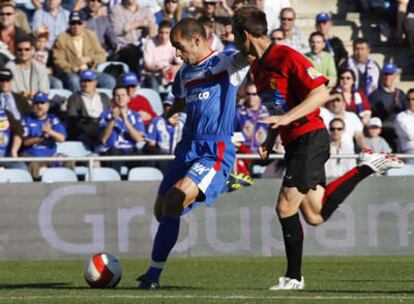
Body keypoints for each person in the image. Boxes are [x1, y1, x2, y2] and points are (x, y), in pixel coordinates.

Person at [232, 6, 403, 291]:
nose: (235, 43)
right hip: (293, 143)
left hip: (310, 138)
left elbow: (321, 92)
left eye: (236, 37)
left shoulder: (287, 56)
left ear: (247, 35)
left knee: (285, 207)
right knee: (314, 216)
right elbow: (279, 107)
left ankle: (294, 278)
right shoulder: (257, 67)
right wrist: (269, 138)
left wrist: (286, 119)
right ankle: (367, 167)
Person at [136, 17, 250, 290]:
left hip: (214, 149)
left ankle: (152, 275)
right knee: (161, 211)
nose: (176, 53)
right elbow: (185, 98)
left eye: (179, 46)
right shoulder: (185, 73)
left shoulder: (226, 63)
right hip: (187, 147)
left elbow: (253, 54)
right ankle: (220, 184)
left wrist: (239, 30)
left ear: (197, 40)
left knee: (175, 200)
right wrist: (173, 110)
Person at [52, 10, 116, 92]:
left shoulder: (91, 35)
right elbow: (58, 61)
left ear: (84, 24)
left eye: (79, 23)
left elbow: (101, 55)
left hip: (90, 71)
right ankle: (77, 102)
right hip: (70, 72)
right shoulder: (61, 39)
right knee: (74, 80)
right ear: (69, 24)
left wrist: (89, 58)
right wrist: (73, 68)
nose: (76, 26)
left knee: (109, 80)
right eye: (73, 23)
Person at [98, 85, 146, 173]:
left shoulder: (135, 115)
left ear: (128, 98)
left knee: (145, 159)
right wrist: (112, 120)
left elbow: (139, 139)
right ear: (113, 98)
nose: (120, 98)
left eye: (123, 95)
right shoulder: (105, 115)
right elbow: (103, 139)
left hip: (130, 150)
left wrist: (125, 120)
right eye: (117, 95)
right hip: (113, 150)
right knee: (114, 154)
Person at [20, 91, 67, 179]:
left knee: (67, 160)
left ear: (48, 105)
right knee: (33, 163)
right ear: (32, 106)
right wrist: (42, 137)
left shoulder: (53, 119)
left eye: (42, 103)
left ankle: (70, 187)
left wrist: (50, 132)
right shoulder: (26, 120)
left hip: (50, 155)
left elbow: (62, 138)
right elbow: (25, 142)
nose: (39, 106)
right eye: (36, 103)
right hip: (31, 154)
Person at [66, 69, 112, 150]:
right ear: (80, 83)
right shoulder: (74, 98)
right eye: (84, 81)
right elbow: (73, 119)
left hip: (102, 125)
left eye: (89, 81)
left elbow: (109, 113)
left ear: (95, 82)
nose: (86, 84)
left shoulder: (104, 97)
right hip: (85, 129)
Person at [145, 93, 183, 174]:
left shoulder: (183, 122)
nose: (168, 108)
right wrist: (162, 156)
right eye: (166, 105)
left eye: (171, 105)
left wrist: (176, 126)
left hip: (179, 156)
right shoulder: (156, 121)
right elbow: (150, 145)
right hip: (161, 155)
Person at [142, 20, 182, 92]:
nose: (164, 36)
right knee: (153, 85)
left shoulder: (173, 43)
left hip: (168, 73)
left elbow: (180, 63)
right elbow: (147, 66)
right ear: (158, 32)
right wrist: (159, 70)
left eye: (167, 33)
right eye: (161, 33)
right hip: (153, 73)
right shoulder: (150, 42)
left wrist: (173, 68)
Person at [394, 88, 414, 164]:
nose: (411, 102)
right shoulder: (401, 116)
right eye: (408, 99)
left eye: (413, 99)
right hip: (410, 151)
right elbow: (410, 135)